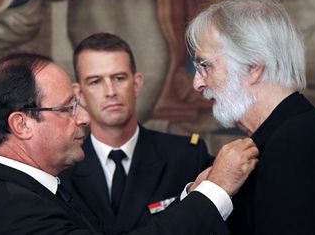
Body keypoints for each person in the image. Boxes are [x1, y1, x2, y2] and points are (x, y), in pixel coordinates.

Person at [0, 52, 259, 234]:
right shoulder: (17, 210)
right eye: (68, 108)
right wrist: (215, 191)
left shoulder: (27, 191)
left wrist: (193, 195)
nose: (83, 118)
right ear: (22, 124)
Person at [187, 0, 315, 235]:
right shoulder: (285, 135)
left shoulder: (295, 144)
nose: (197, 84)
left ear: (252, 67)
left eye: (205, 66)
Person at [59, 32, 214, 235]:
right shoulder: (62, 171)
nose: (110, 91)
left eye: (119, 78)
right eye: (95, 81)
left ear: (137, 84)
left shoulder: (186, 157)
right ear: (79, 94)